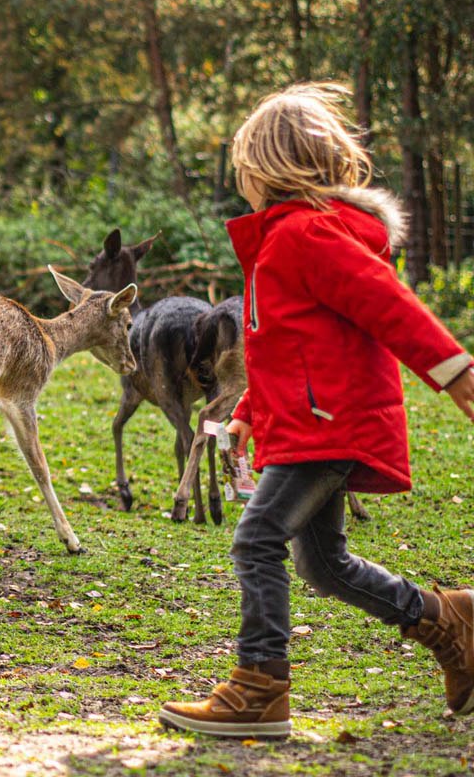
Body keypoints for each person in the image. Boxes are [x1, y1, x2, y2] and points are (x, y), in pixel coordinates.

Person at [158, 83, 474, 740]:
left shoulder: (307, 234)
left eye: (244, 163)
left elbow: (388, 305)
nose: (240, 175)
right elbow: (289, 346)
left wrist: (455, 371)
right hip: (311, 418)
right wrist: (248, 408)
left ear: (266, 167)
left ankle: (258, 689)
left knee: (257, 539)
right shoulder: (285, 239)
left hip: (330, 423)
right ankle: (448, 619)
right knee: (323, 565)